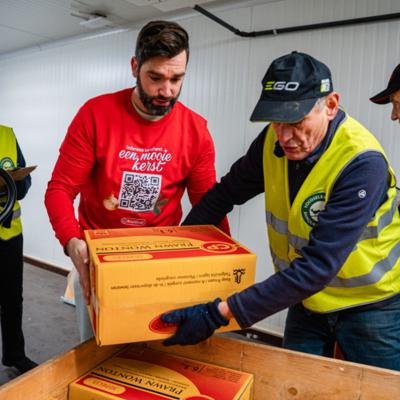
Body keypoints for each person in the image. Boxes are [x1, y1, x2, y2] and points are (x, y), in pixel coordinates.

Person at [161, 51, 400, 371]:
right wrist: (173, 250)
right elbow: (223, 195)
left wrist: (216, 313)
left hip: (372, 306)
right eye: (276, 121)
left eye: (297, 121)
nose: (285, 136)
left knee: (380, 390)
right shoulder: (272, 144)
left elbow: (317, 267)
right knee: (293, 385)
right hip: (307, 300)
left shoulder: (361, 163)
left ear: (330, 106)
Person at [45, 20, 228, 342]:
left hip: (159, 262)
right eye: (155, 78)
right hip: (100, 262)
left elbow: (209, 207)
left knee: (156, 355)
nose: (166, 91)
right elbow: (60, 189)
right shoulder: (95, 115)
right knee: (98, 356)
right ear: (134, 67)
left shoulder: (196, 131)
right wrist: (71, 241)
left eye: (176, 79)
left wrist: (221, 270)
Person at [0, 125, 37, 374]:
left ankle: (15, 355)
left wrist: (11, 184)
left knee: (13, 298)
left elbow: (25, 184)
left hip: (9, 234)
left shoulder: (7, 134)